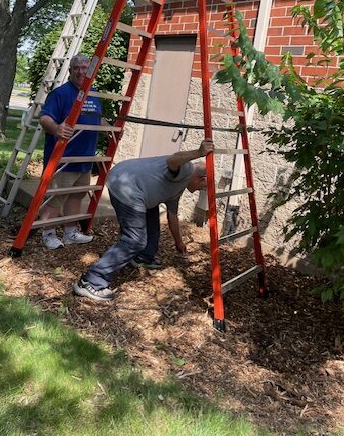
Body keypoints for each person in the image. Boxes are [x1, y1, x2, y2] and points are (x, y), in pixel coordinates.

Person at [73, 138, 215, 301]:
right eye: (203, 187)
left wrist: (179, 242)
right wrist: (198, 153)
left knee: (151, 216)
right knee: (134, 240)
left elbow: (172, 216)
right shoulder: (186, 169)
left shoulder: (177, 189)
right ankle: (91, 281)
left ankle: (143, 257)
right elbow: (173, 160)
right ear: (201, 178)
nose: (200, 190)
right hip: (126, 186)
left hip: (134, 185)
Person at [38, 53, 109, 250]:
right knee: (57, 197)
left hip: (85, 158)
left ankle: (70, 233)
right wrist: (57, 128)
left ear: (91, 71)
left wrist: (112, 130)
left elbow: (97, 119)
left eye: (85, 68)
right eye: (76, 68)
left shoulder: (93, 94)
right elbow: (44, 118)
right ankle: (48, 233)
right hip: (64, 159)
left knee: (77, 195)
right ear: (70, 71)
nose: (81, 71)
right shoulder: (61, 94)